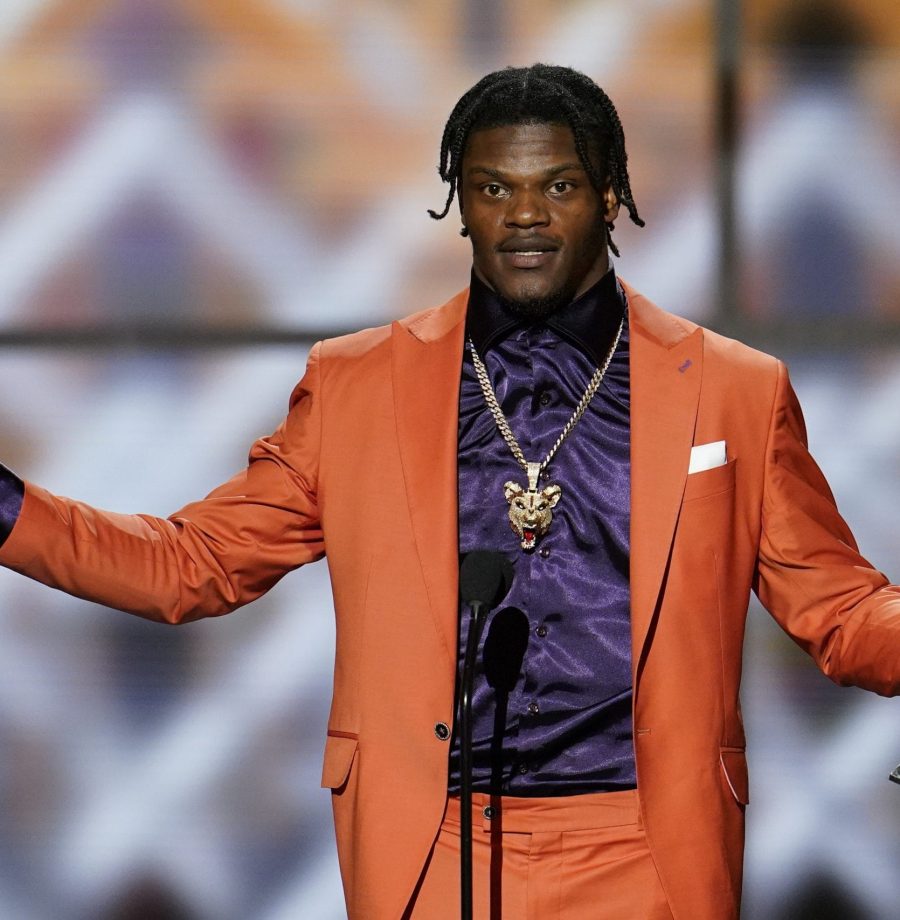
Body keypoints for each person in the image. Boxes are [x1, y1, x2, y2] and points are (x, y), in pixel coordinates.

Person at [0, 64, 896, 920]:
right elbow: (190, 565)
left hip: (643, 846)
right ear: (459, 202)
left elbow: (841, 611)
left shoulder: (733, 391)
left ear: (610, 195)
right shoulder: (359, 385)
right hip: (432, 846)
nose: (524, 214)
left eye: (559, 185)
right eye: (493, 188)